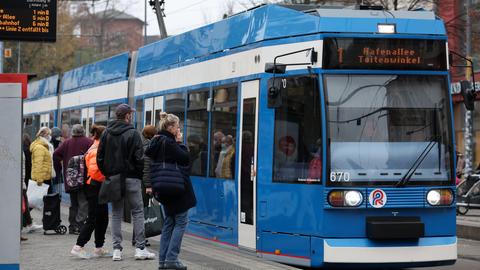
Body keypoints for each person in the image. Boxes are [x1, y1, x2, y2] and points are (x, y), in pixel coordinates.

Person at [97, 103, 155, 261]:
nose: (132, 116)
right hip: (132, 179)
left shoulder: (106, 133)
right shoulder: (133, 133)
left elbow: (99, 158)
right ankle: (140, 248)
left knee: (116, 213)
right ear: (127, 115)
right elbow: (139, 158)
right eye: (131, 114)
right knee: (137, 212)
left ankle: (117, 250)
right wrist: (136, 173)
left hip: (114, 179)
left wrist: (108, 173)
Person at [146, 112, 196, 270]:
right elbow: (185, 158)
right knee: (180, 222)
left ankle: (163, 260)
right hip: (176, 188)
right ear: (170, 127)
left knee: (169, 223)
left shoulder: (156, 141)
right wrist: (180, 142)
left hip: (163, 188)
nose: (178, 129)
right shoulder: (169, 142)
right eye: (177, 126)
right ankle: (172, 258)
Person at [71, 125, 111, 259]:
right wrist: (108, 175)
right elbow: (95, 172)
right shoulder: (96, 149)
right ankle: (78, 246)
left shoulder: (98, 146)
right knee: (93, 218)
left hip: (97, 187)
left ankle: (98, 248)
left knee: (103, 218)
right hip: (95, 187)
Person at [53, 124, 92, 235]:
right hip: (83, 178)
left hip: (70, 178)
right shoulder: (88, 142)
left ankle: (72, 225)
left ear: (73, 132)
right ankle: (79, 225)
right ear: (83, 131)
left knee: (73, 203)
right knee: (83, 202)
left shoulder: (67, 142)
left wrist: (60, 167)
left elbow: (56, 155)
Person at [132, 125, 156, 247]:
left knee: (139, 210)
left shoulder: (139, 142)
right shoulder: (147, 146)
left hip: (138, 180)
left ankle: (137, 237)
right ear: (151, 135)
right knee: (141, 210)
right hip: (143, 182)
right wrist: (148, 185)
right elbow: (146, 167)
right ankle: (138, 238)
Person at [30, 127, 54, 194]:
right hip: (42, 179)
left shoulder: (44, 146)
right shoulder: (39, 147)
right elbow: (38, 164)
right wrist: (39, 180)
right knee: (43, 201)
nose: (50, 136)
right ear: (45, 135)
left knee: (46, 200)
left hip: (45, 177)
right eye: (49, 134)